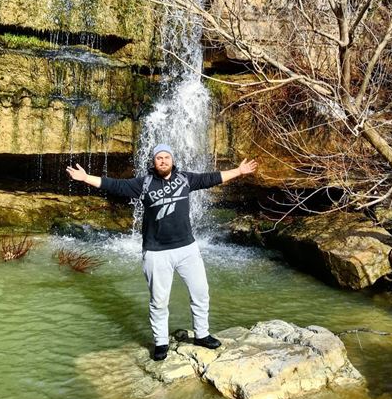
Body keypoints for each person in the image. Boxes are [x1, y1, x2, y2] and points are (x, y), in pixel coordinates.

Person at [66, 143, 258, 361]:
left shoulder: (185, 178)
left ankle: (202, 334)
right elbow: (115, 185)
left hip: (187, 248)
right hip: (157, 252)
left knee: (201, 292)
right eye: (159, 158)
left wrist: (239, 171)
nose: (163, 161)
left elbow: (210, 178)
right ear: (154, 162)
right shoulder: (144, 184)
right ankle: (161, 342)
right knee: (158, 301)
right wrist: (86, 178)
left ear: (172, 160)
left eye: (167, 157)